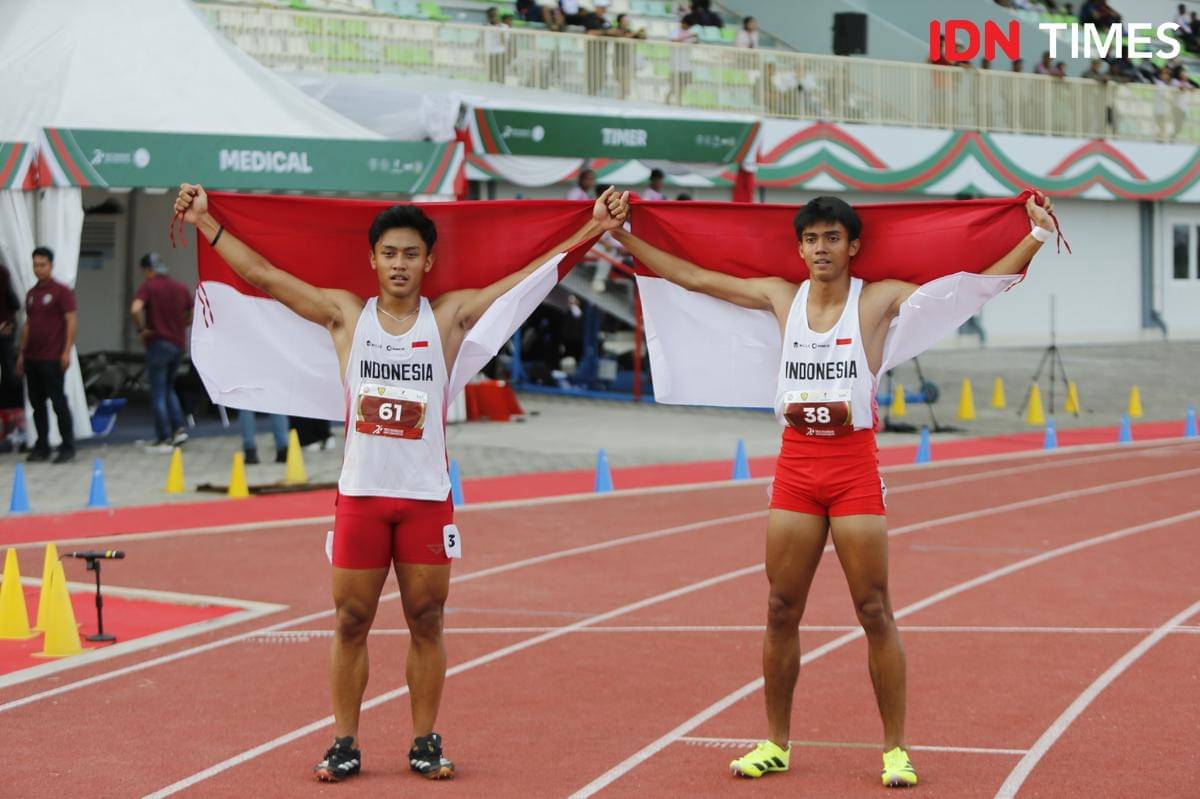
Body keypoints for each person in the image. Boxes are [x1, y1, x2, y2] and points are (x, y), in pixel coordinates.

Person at [172, 181, 629, 784]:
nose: (400, 264)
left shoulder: (448, 317)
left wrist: (592, 228)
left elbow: (527, 274)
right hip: (362, 495)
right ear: (373, 259)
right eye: (389, 253)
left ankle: (424, 740)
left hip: (424, 500)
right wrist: (206, 223)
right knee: (350, 621)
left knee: (427, 619)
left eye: (411, 254)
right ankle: (343, 741)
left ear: (427, 261)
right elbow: (263, 275)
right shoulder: (344, 315)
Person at [610, 193, 1057, 788]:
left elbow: (967, 288)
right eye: (811, 239)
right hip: (797, 465)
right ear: (799, 248)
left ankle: (895, 748)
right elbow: (694, 277)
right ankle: (776, 743)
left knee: (873, 609)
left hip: (851, 469)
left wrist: (1036, 237)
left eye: (831, 238)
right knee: (779, 608)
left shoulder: (876, 299)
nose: (821, 249)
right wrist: (621, 238)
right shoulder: (780, 296)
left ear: (853, 246)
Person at [18, 246, 76, 463]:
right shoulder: (31, 294)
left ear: (50, 266)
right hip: (33, 357)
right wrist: (22, 354)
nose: (38, 269)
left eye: (42, 265)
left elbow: (71, 321)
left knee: (58, 402)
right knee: (37, 404)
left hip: (52, 357)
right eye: (35, 265)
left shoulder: (62, 291)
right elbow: (28, 324)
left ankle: (67, 445)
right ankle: (42, 445)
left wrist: (66, 351)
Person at [131, 252, 192, 451]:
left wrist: (142, 330)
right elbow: (192, 311)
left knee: (158, 391)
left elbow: (135, 308)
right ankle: (179, 429)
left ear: (148, 270)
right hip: (177, 344)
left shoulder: (149, 286)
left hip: (158, 343)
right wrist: (181, 325)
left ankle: (163, 435)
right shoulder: (180, 287)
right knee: (169, 388)